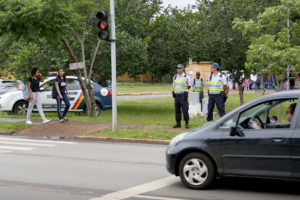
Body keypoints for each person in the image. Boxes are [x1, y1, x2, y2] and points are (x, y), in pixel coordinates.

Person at [172, 64, 191, 129]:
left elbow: (189, 86)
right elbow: (174, 86)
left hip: (183, 96)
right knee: (177, 110)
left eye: (179, 68)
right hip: (177, 96)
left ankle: (186, 123)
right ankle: (178, 123)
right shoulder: (175, 76)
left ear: (182, 69)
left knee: (185, 110)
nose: (178, 69)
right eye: (177, 68)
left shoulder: (186, 77)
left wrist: (184, 90)